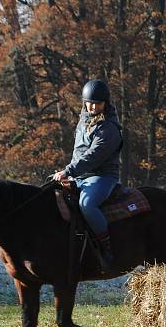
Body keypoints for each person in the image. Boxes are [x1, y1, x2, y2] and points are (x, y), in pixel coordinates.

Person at [53, 79, 123, 272]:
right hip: (79, 175)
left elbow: (93, 157)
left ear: (105, 103)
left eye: (97, 103)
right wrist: (68, 175)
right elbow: (78, 152)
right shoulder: (83, 121)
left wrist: (68, 171)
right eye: (89, 102)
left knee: (87, 205)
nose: (92, 106)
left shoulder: (109, 128)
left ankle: (107, 248)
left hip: (101, 176)